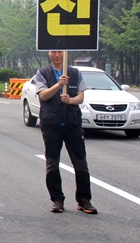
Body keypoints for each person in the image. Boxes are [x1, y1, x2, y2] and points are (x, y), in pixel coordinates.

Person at [34, 50, 97, 214]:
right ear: (49, 53)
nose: (57, 55)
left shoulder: (75, 73)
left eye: (60, 52)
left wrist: (70, 100)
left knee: (80, 162)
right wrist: (58, 85)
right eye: (54, 52)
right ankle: (57, 199)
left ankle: (84, 199)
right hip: (51, 124)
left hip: (72, 123)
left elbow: (80, 97)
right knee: (52, 162)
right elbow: (43, 96)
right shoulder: (42, 73)